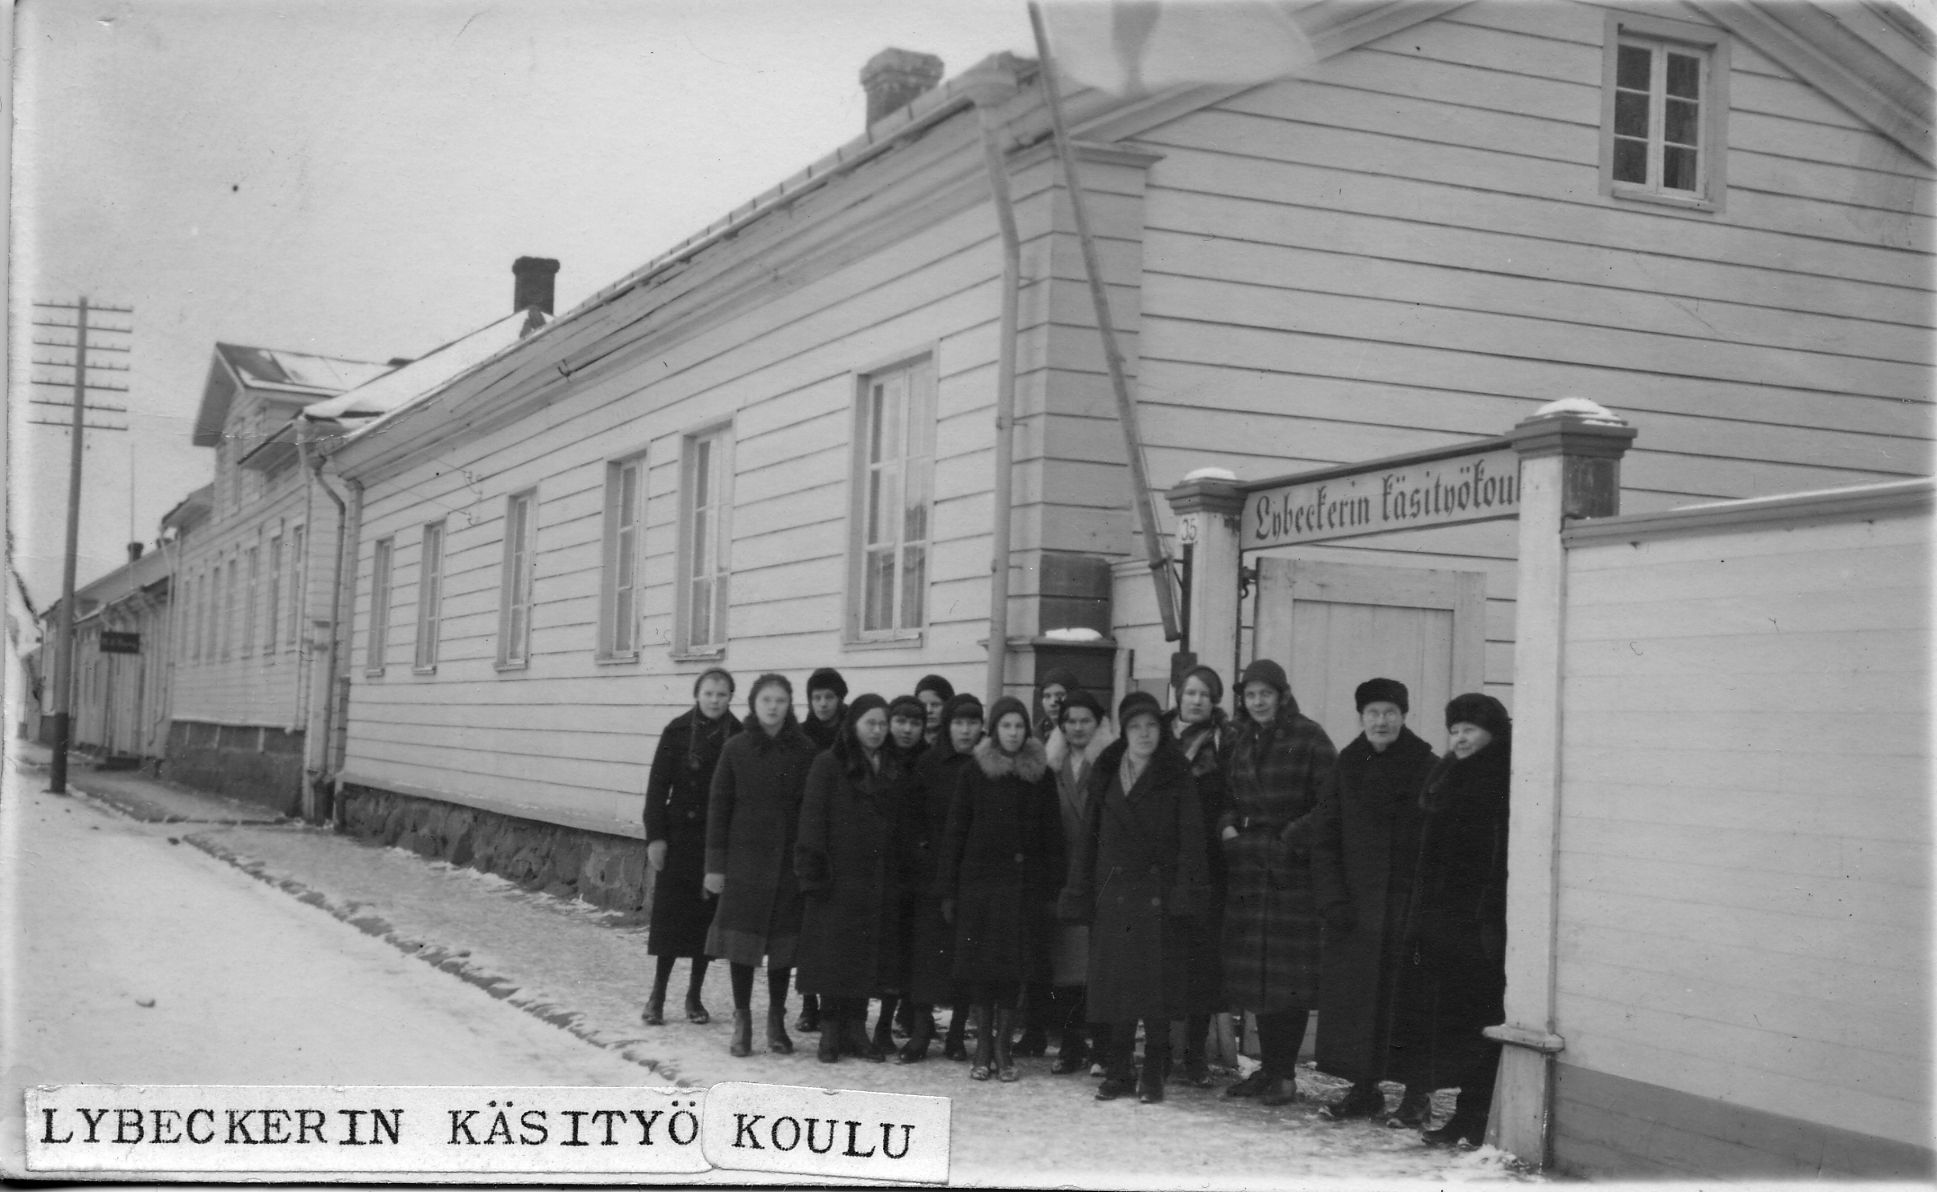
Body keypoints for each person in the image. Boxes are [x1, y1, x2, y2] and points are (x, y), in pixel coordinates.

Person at [1060, 691, 1210, 1104]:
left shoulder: (1176, 775)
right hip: (1114, 894)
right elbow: (1089, 838)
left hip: (1157, 896)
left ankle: (1154, 1073)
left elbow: (1192, 841)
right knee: (1116, 988)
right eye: (1135, 727)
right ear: (1124, 732)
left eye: (1151, 727)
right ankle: (1119, 1069)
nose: (1144, 734)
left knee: (1155, 990)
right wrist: (1081, 892)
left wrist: (1185, 893)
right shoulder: (1107, 772)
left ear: (1162, 732)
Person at [1309, 677, 1439, 1124]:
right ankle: (1364, 1090)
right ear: (1360, 718)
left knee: (1412, 1004)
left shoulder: (1427, 767)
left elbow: (1441, 844)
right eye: (1373, 713)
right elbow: (1324, 839)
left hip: (1408, 908)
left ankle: (1417, 1096)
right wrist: (1333, 900)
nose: (1381, 721)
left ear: (1404, 716)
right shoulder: (1346, 766)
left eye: (1390, 713)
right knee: (1358, 1006)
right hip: (1357, 910)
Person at [1391, 693, 1512, 1148]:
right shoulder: (1451, 774)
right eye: (1455, 730)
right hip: (1444, 920)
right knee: (1457, 1022)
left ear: (1492, 733)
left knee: (1481, 1018)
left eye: (1470, 730)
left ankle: (1478, 1118)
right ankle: (1464, 1117)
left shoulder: (1499, 778)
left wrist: (1483, 915)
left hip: (1477, 922)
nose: (1460, 739)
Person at [1219, 658, 1338, 1106]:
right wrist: (1229, 828)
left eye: (1265, 693)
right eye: (1250, 695)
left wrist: (1291, 839)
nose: (1258, 701)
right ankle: (1267, 1071)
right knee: (1257, 980)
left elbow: (1330, 802)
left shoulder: (1309, 737)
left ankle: (1284, 1074)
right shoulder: (1240, 739)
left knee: (1286, 981)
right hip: (1249, 868)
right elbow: (1226, 797)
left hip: (1291, 875)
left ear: (1282, 695)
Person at [936, 695, 1065, 1082]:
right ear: (995, 730)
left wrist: (1049, 889)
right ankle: (983, 1050)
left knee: (1011, 971)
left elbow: (1052, 837)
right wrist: (949, 890)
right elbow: (956, 832)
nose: (1013, 733)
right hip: (979, 888)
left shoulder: (1039, 774)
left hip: (1022, 890)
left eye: (1019, 726)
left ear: (1027, 731)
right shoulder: (974, 772)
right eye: (1006, 725)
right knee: (981, 971)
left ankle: (1004, 1047)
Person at [705, 672, 820, 1057]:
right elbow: (719, 809)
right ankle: (742, 1020)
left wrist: (806, 861)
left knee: (782, 948)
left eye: (781, 701)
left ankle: (775, 1019)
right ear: (754, 704)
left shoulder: (804, 751)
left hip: (787, 864)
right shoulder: (735, 748)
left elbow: (811, 810)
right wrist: (715, 866)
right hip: (744, 864)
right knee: (742, 944)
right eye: (767, 700)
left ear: (790, 707)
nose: (773, 707)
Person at [796, 694, 906, 1064]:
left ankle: (856, 1030)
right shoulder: (829, 763)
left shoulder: (892, 766)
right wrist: (813, 872)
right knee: (833, 956)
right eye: (869, 723)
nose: (877, 731)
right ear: (854, 725)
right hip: (836, 876)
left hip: (877, 877)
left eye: (882, 724)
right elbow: (812, 820)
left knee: (864, 955)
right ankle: (830, 1029)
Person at [642, 668, 742, 1027]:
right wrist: (656, 837)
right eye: (709, 693)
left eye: (722, 694)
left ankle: (694, 996)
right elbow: (657, 788)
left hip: (715, 843)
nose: (715, 700)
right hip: (679, 838)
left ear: (731, 697)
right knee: (670, 921)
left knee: (705, 923)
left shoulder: (739, 735)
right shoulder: (677, 730)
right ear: (697, 694)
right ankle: (657, 995)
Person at [901, 693, 982, 1063]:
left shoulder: (986, 765)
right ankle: (920, 1030)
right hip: (930, 875)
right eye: (959, 723)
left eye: (972, 722)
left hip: (972, 876)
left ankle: (956, 1034)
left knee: (963, 956)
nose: (965, 731)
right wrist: (922, 855)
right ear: (948, 725)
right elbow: (912, 817)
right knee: (926, 957)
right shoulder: (929, 763)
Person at [1039, 689, 1115, 1072]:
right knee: (1066, 967)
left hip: (1100, 875)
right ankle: (1070, 1046)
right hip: (1064, 872)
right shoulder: (1052, 764)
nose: (1077, 727)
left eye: (1086, 720)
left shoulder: (1111, 762)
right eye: (1070, 721)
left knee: (1099, 966)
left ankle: (1101, 1048)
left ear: (1098, 724)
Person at [1165, 664, 1233, 1086]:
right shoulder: (1157, 737)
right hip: (1164, 864)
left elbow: (1231, 795)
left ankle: (1194, 1053)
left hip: (1209, 866)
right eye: (1190, 692)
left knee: (1201, 963)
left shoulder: (1225, 743)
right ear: (1178, 695)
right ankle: (1158, 1050)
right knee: (1162, 959)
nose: (1196, 701)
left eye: (1204, 695)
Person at [867, 693, 931, 1051]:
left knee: (910, 950)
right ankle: (877, 1026)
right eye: (901, 722)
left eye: (915, 723)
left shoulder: (927, 762)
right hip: (883, 869)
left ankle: (904, 1019)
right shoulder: (880, 759)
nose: (907, 730)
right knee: (885, 950)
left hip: (916, 872)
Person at [795, 667, 848, 1034]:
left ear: (840, 698)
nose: (823, 704)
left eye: (829, 697)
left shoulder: (850, 733)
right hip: (810, 833)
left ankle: (840, 1005)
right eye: (817, 698)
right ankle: (809, 1003)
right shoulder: (801, 736)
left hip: (844, 837)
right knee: (808, 926)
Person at [1034, 668, 1080, 742]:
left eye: (1060, 696)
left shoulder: (1087, 736)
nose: (1052, 703)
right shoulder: (1032, 739)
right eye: (1047, 696)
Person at [913, 674, 955, 748]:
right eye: (923, 705)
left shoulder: (957, 742)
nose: (928, 710)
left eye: (935, 705)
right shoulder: (910, 741)